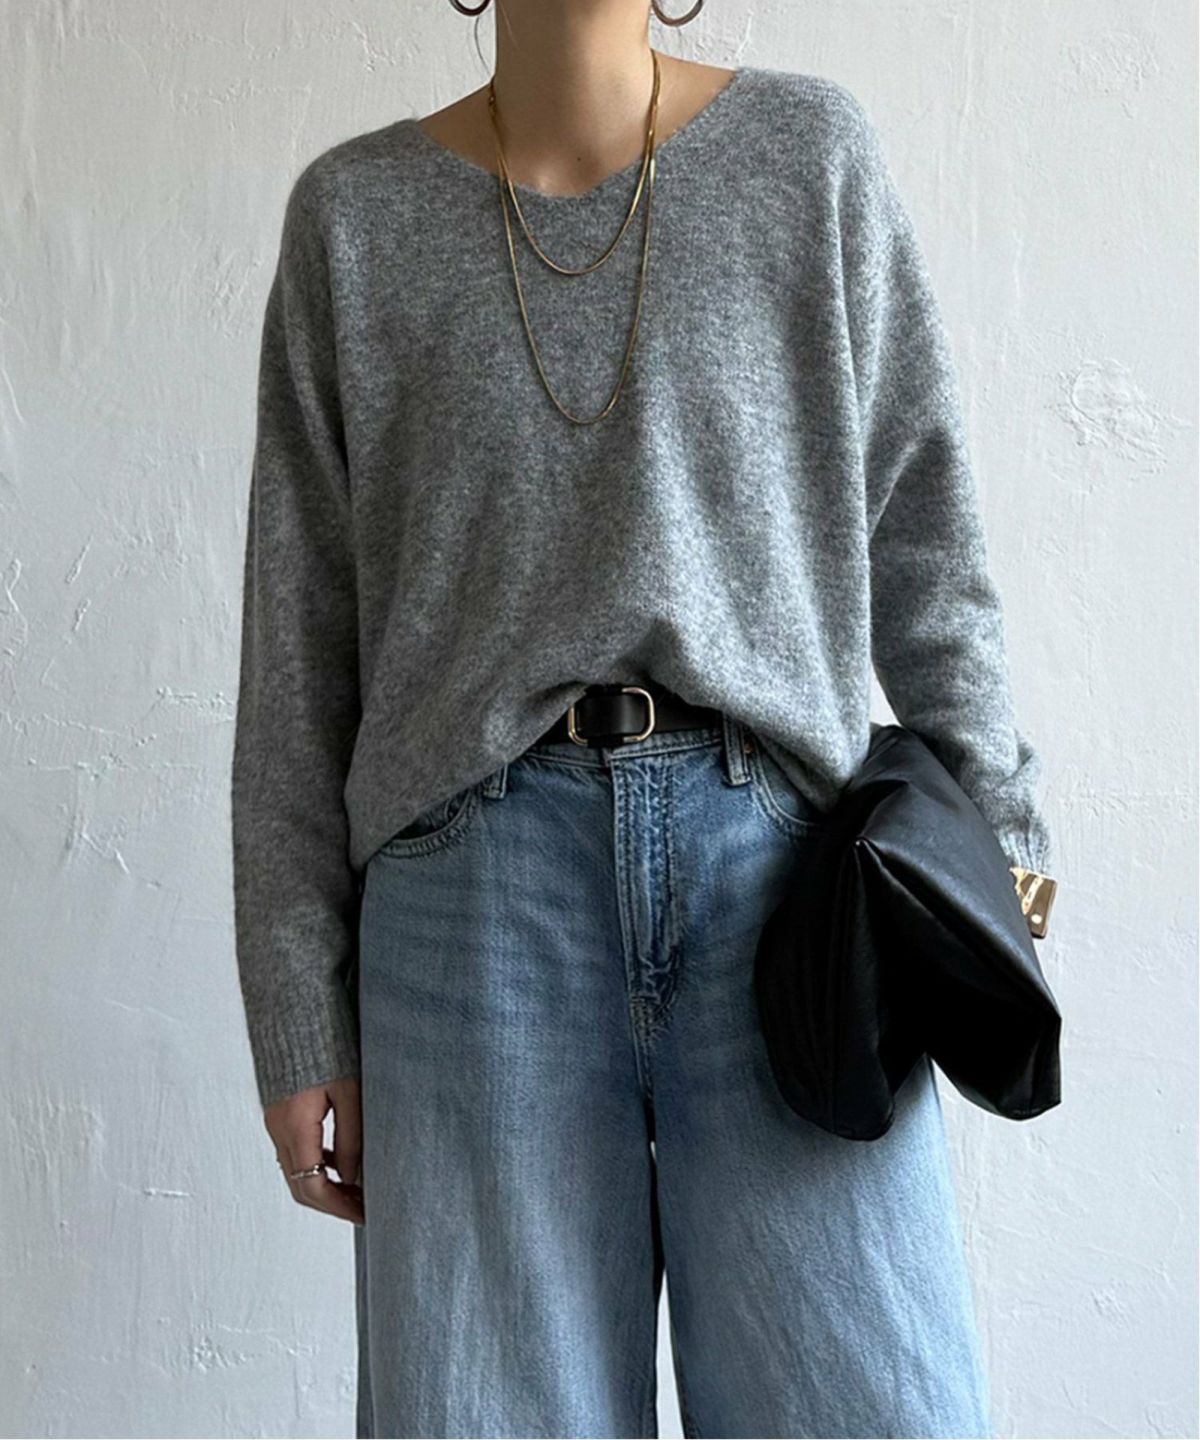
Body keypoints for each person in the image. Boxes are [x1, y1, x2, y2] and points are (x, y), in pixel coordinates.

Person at [231, 2, 1058, 1435]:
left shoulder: (806, 156)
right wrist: (296, 1003)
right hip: (470, 916)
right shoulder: (352, 221)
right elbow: (299, 645)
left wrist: (1005, 856)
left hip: (789, 894)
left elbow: (924, 526)